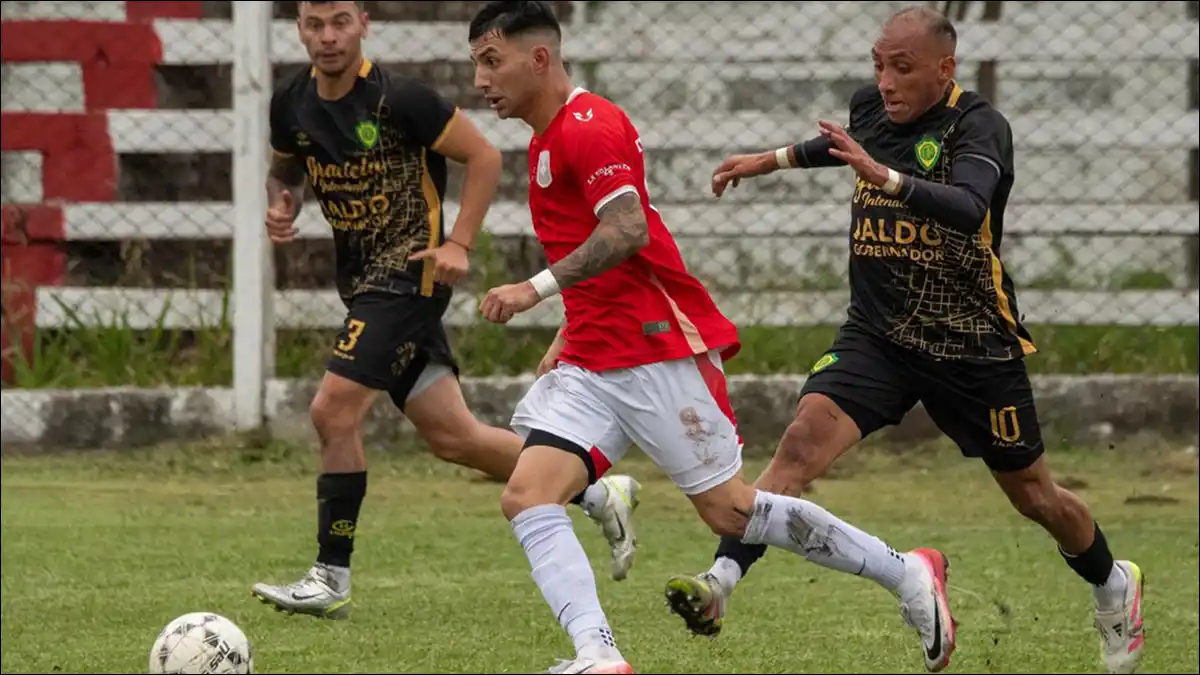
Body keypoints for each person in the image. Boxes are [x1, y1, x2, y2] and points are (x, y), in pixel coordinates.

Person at [468, 3, 962, 673]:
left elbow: (626, 230)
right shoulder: (546, 138)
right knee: (527, 494)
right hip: (597, 355)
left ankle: (908, 572)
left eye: (490, 61)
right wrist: (571, 324)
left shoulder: (591, 126)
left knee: (732, 513)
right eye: (476, 64)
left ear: (539, 58)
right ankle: (598, 654)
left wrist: (534, 289)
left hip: (655, 348)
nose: (479, 79)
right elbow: (604, 254)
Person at [662, 7, 1145, 675]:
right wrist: (765, 161)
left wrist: (880, 176)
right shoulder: (871, 111)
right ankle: (720, 583)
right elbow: (837, 145)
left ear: (945, 68)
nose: (885, 82)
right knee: (799, 445)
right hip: (879, 335)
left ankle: (1112, 583)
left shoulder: (978, 125)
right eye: (878, 65)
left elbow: (968, 204)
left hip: (971, 343)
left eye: (903, 68)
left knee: (1037, 496)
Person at [249, 0, 643, 622]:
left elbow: (484, 157)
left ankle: (330, 574)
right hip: (362, 283)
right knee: (454, 438)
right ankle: (597, 490)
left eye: (340, 22)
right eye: (314, 24)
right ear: (298, 28)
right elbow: (284, 171)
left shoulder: (400, 98)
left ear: (363, 25)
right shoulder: (290, 102)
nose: (328, 37)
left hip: (409, 276)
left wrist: (458, 241)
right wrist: (282, 203)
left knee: (331, 412)